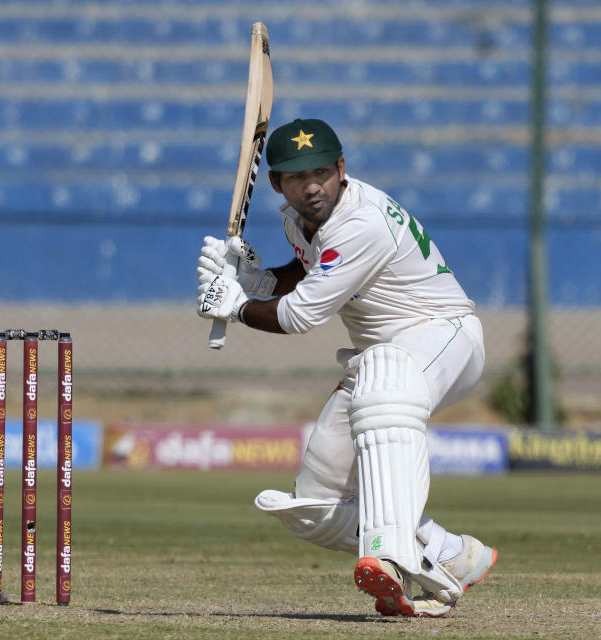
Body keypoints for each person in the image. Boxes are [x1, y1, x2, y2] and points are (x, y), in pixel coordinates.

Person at [196, 118, 497, 617]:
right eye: (296, 178)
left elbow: (300, 316)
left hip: (443, 335)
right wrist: (255, 279)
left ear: (341, 169)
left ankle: (390, 552)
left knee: (386, 381)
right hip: (381, 357)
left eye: (320, 172)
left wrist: (236, 307)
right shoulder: (299, 219)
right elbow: (311, 271)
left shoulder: (363, 222)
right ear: (277, 183)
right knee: (314, 507)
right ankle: (450, 553)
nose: (311, 187)